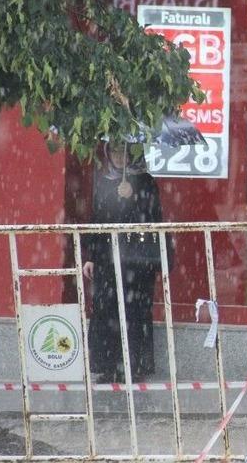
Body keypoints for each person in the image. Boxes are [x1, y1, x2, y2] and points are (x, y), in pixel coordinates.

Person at [82, 141, 166, 383]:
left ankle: (133, 365)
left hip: (137, 260)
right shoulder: (105, 180)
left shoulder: (146, 181)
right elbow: (97, 218)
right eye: (115, 151)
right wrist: (91, 255)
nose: (119, 157)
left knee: (134, 310)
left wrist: (135, 197)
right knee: (106, 309)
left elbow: (153, 217)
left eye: (124, 152)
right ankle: (107, 365)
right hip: (108, 258)